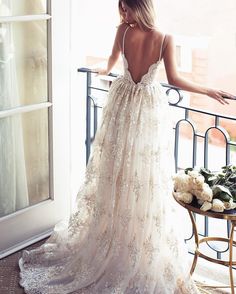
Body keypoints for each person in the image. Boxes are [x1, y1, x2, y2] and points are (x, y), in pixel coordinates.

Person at [19, 0, 235, 293]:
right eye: (122, 9)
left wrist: (94, 69)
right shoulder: (158, 37)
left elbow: (110, 66)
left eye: (126, 8)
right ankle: (124, 237)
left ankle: (127, 237)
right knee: (128, 171)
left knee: (129, 171)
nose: (123, 14)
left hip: (125, 102)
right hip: (143, 106)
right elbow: (173, 79)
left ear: (139, 7)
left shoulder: (126, 32)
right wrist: (207, 89)